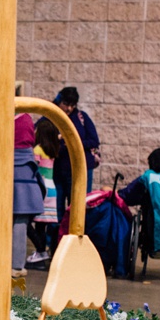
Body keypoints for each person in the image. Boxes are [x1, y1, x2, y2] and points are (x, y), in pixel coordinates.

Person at [37, 87, 100, 233]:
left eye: (73, 105)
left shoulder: (81, 117)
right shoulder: (51, 116)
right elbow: (39, 133)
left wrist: (71, 142)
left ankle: (75, 236)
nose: (69, 108)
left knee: (77, 206)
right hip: (57, 171)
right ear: (59, 100)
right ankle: (54, 240)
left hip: (78, 170)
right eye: (66, 103)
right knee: (56, 208)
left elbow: (93, 140)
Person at [12, 111, 45, 278]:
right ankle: (16, 265)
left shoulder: (5, 116)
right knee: (21, 221)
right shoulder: (25, 118)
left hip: (6, 167)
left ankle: (10, 263)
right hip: (26, 172)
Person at [27, 118, 59, 263]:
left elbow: (33, 168)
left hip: (41, 189)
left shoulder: (38, 149)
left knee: (27, 223)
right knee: (42, 225)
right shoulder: (52, 149)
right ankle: (41, 250)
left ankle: (41, 250)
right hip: (52, 188)